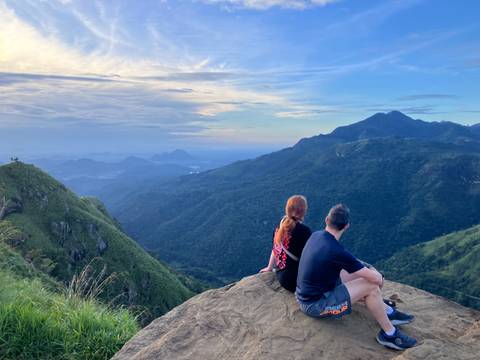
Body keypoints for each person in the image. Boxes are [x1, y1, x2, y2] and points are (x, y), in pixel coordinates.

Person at [295, 204, 417, 351]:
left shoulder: (317, 235)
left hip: (309, 293)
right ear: (346, 226)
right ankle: (389, 334)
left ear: (327, 220)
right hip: (315, 305)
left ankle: (387, 311)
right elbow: (377, 280)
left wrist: (369, 272)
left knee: (363, 276)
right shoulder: (336, 251)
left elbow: (351, 262)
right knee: (371, 286)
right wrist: (377, 276)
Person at [260, 195, 312, 292]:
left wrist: (269, 267)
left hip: (282, 275)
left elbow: (276, 248)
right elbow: (310, 257)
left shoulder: (280, 225)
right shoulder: (304, 231)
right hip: (295, 281)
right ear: (303, 211)